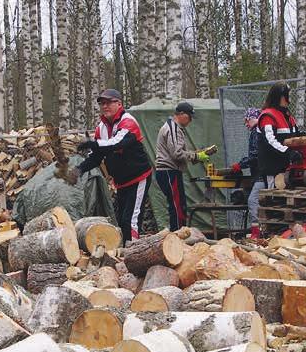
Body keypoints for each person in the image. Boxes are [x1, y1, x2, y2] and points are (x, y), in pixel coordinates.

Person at [74, 89, 153, 243]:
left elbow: (118, 142)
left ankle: (133, 252)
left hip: (138, 177)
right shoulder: (101, 128)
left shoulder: (128, 121)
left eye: (109, 102)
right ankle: (125, 251)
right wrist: (79, 170)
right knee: (121, 219)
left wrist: (93, 143)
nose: (105, 106)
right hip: (121, 180)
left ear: (119, 104)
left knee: (130, 219)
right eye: (102, 103)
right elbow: (96, 156)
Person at [154, 102, 209, 231]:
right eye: (190, 116)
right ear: (182, 114)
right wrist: (196, 156)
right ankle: (179, 235)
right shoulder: (173, 128)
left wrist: (195, 154)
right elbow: (177, 154)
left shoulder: (174, 127)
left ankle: (178, 234)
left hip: (170, 171)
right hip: (168, 171)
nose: (190, 120)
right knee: (177, 206)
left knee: (178, 205)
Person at [256, 82, 299, 189]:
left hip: (287, 167)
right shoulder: (268, 116)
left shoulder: (287, 115)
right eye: (288, 95)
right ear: (282, 97)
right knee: (275, 199)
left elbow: (296, 135)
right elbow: (270, 141)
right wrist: (288, 152)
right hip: (273, 168)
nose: (290, 98)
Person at [232, 107, 263, 239]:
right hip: (258, 174)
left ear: (253, 118)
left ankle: (257, 231)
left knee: (252, 200)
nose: (245, 124)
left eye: (247, 120)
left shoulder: (258, 132)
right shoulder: (255, 132)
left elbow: (256, 155)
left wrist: (241, 164)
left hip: (262, 174)